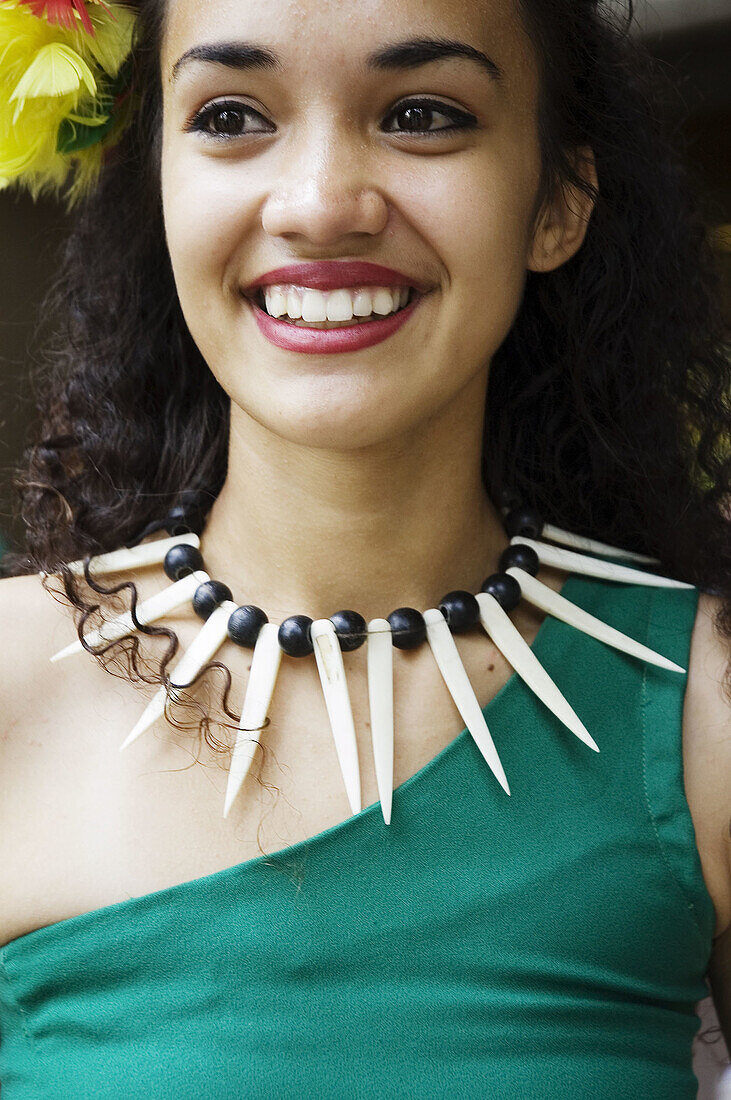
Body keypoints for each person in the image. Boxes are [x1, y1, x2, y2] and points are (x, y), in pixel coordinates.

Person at [0, 0, 728, 1095]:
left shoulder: (700, 708)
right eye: (233, 114)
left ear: (556, 201)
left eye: (423, 114)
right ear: (153, 187)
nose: (320, 204)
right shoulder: (6, 696)